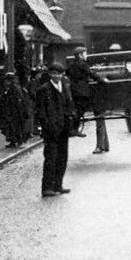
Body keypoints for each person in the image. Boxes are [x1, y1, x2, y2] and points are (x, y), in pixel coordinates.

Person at [35, 62, 75, 197]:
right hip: (51, 129)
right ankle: (47, 188)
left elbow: (69, 104)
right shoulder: (43, 89)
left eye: (58, 73)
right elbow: (40, 111)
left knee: (62, 157)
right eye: (53, 73)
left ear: (62, 74)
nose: (55, 76)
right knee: (51, 158)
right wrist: (45, 126)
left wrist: (70, 120)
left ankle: (58, 185)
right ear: (49, 74)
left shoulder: (65, 87)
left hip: (63, 128)